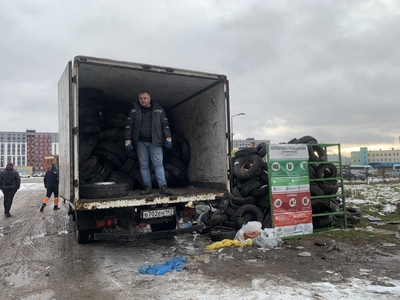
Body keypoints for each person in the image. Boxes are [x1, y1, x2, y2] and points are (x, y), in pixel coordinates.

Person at [125, 90, 173, 196]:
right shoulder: (134, 111)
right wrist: (128, 140)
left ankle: (163, 186)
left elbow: (165, 125)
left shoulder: (159, 110)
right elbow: (129, 126)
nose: (142, 100)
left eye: (144, 98)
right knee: (144, 165)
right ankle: (147, 186)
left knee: (158, 164)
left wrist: (168, 138)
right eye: (140, 98)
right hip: (140, 142)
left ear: (149, 98)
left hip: (155, 141)